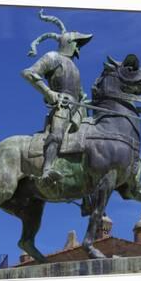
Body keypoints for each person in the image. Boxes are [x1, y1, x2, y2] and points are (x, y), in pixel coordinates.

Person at [21, 10, 93, 189]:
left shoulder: (75, 68)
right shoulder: (53, 57)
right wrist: (49, 93)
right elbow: (29, 73)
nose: (78, 48)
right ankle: (47, 170)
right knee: (57, 133)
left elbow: (81, 94)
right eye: (77, 44)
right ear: (69, 43)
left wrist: (89, 102)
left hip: (78, 108)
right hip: (62, 105)